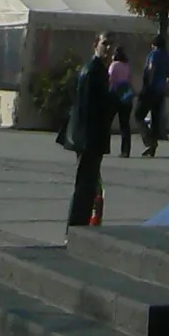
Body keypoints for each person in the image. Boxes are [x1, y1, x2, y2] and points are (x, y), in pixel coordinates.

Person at [65, 34, 113, 227]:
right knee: (85, 186)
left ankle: (79, 225)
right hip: (89, 139)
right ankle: (76, 227)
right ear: (95, 45)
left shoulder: (98, 70)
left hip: (90, 138)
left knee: (88, 186)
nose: (108, 48)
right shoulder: (93, 71)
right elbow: (88, 108)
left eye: (111, 44)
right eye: (105, 44)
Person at [136, 37, 169, 157]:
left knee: (138, 115)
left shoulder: (154, 54)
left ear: (154, 45)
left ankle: (149, 141)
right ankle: (153, 144)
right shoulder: (168, 57)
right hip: (161, 90)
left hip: (150, 89)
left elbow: (151, 68)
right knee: (156, 117)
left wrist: (146, 84)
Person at [107, 44, 133, 158]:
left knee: (107, 122)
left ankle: (103, 147)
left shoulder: (114, 65)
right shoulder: (127, 65)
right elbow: (129, 79)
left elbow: (110, 80)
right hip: (126, 96)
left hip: (115, 96)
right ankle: (125, 150)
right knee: (125, 124)